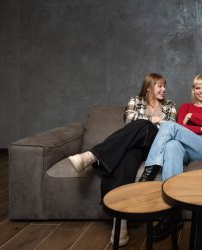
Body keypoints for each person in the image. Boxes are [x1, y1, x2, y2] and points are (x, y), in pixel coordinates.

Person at [67, 73, 176, 247]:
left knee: (144, 125)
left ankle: (93, 155)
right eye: (160, 86)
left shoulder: (170, 106)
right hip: (135, 145)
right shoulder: (135, 101)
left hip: (155, 147)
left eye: (164, 86)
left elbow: (170, 128)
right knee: (127, 156)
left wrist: (149, 121)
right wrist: (153, 119)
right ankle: (120, 220)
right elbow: (129, 122)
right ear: (149, 87)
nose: (164, 89)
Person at [140, 74, 202, 238]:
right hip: (185, 148)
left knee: (169, 126)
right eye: (197, 88)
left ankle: (147, 175)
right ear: (193, 90)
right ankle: (172, 216)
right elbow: (180, 128)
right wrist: (201, 127)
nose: (201, 91)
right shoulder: (185, 106)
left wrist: (192, 118)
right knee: (171, 145)